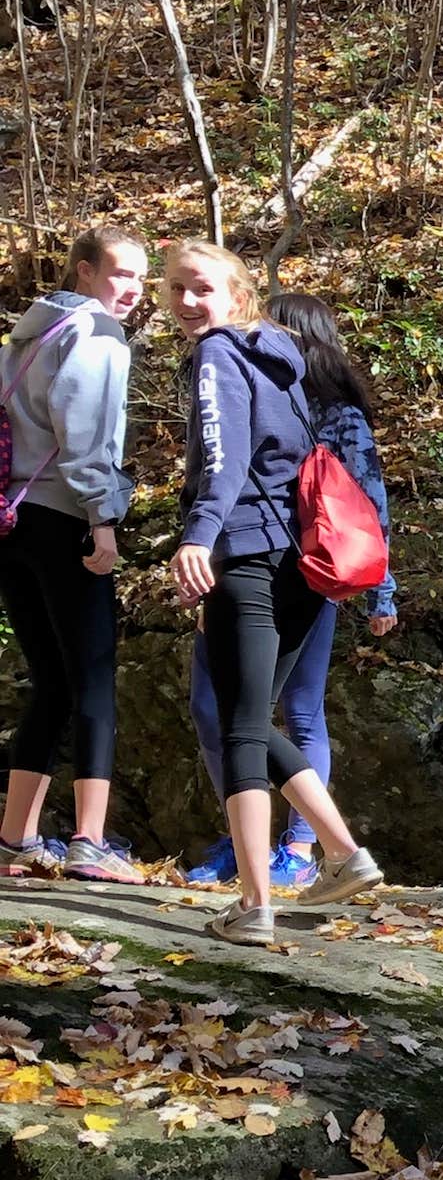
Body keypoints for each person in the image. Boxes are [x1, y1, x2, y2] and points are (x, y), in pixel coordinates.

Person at [163, 240, 384, 947]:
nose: (189, 303)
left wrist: (199, 534)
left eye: (201, 288)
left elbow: (221, 453)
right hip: (303, 563)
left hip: (250, 552)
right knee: (251, 720)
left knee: (238, 727)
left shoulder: (219, 354)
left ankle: (256, 904)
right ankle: (346, 855)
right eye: (177, 290)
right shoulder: (284, 359)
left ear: (236, 293)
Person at [0, 229, 149, 881]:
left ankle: (14, 840)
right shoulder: (97, 336)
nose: (133, 291)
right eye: (121, 275)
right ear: (85, 273)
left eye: (142, 279)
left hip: (11, 522)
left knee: (53, 683)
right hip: (65, 519)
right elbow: (84, 436)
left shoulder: (27, 335)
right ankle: (89, 841)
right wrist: (104, 521)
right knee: (92, 679)